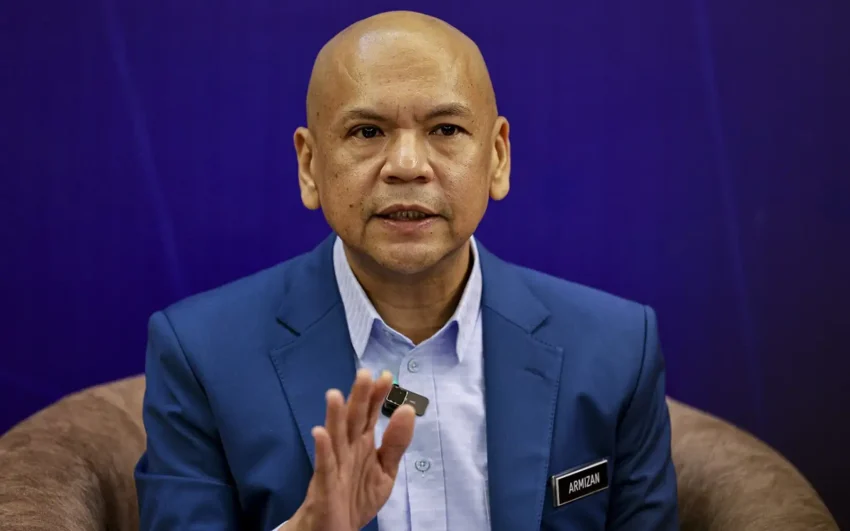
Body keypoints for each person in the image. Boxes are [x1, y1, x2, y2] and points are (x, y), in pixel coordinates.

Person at [134, 10, 679, 531]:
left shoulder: (616, 349)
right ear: (309, 165)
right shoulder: (201, 354)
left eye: (446, 129)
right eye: (367, 132)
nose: (407, 166)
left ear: (497, 157)